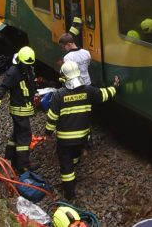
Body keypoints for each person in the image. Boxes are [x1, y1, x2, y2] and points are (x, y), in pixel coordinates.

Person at [44, 61, 119, 200]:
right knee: (75, 155)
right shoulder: (88, 90)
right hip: (83, 138)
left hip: (65, 141)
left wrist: (48, 133)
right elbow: (105, 94)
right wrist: (115, 86)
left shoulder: (58, 95)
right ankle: (74, 164)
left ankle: (69, 195)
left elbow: (52, 118)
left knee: (66, 169)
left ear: (64, 77)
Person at [0, 46, 37, 173]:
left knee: (16, 134)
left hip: (24, 108)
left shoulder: (27, 69)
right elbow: (2, 88)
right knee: (24, 137)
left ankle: (9, 158)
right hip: (19, 109)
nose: (27, 66)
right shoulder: (13, 72)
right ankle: (23, 166)